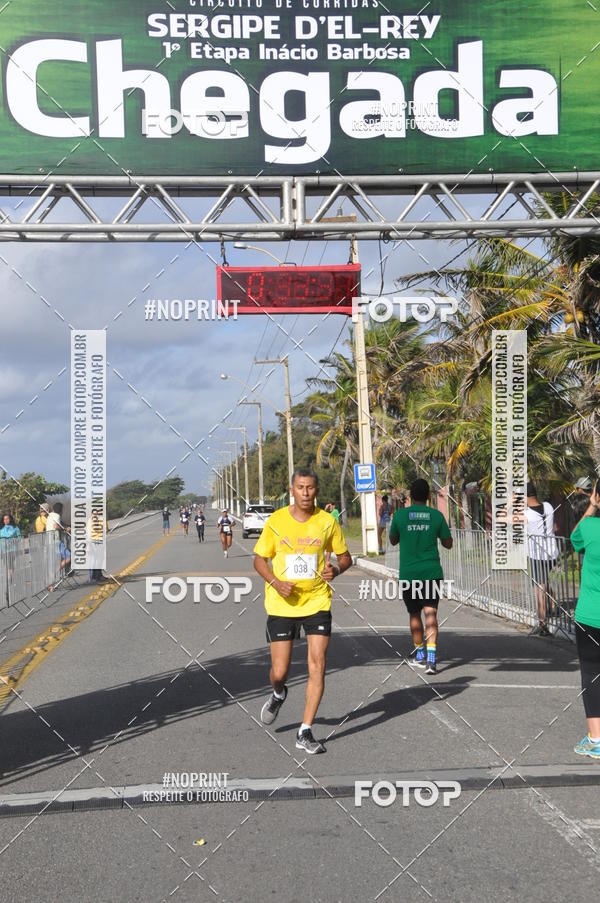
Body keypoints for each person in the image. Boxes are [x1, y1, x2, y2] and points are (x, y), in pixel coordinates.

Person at [254, 468, 352, 754]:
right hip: (282, 603)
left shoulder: (326, 522)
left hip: (317, 602)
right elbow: (259, 560)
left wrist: (336, 569)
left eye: (310, 488)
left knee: (317, 664)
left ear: (316, 490)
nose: (306, 493)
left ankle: (305, 731)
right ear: (292, 490)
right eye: (300, 487)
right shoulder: (277, 521)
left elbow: (345, 557)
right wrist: (275, 581)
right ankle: (278, 693)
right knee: (280, 671)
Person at [388, 478, 453, 675]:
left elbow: (392, 540)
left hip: (409, 575)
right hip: (431, 573)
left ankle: (419, 653)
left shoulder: (400, 516)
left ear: (410, 496)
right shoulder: (436, 515)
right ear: (428, 496)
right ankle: (431, 661)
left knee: (414, 614)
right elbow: (448, 544)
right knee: (431, 614)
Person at [570, 481, 600, 759]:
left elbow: (574, 538)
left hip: (591, 615)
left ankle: (596, 738)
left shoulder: (590, 529)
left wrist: (592, 505)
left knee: (591, 674)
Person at [526, 481, 559, 636]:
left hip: (537, 554)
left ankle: (543, 623)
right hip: (552, 552)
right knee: (544, 581)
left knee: (540, 586)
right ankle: (553, 605)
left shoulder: (526, 514)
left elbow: (503, 518)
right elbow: (556, 527)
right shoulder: (548, 506)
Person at [45, 502, 71, 577]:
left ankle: (51, 582)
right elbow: (56, 526)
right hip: (55, 541)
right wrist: (65, 529)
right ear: (60, 510)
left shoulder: (50, 515)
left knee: (52, 561)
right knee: (69, 557)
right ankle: (55, 573)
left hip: (49, 541)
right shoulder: (57, 516)